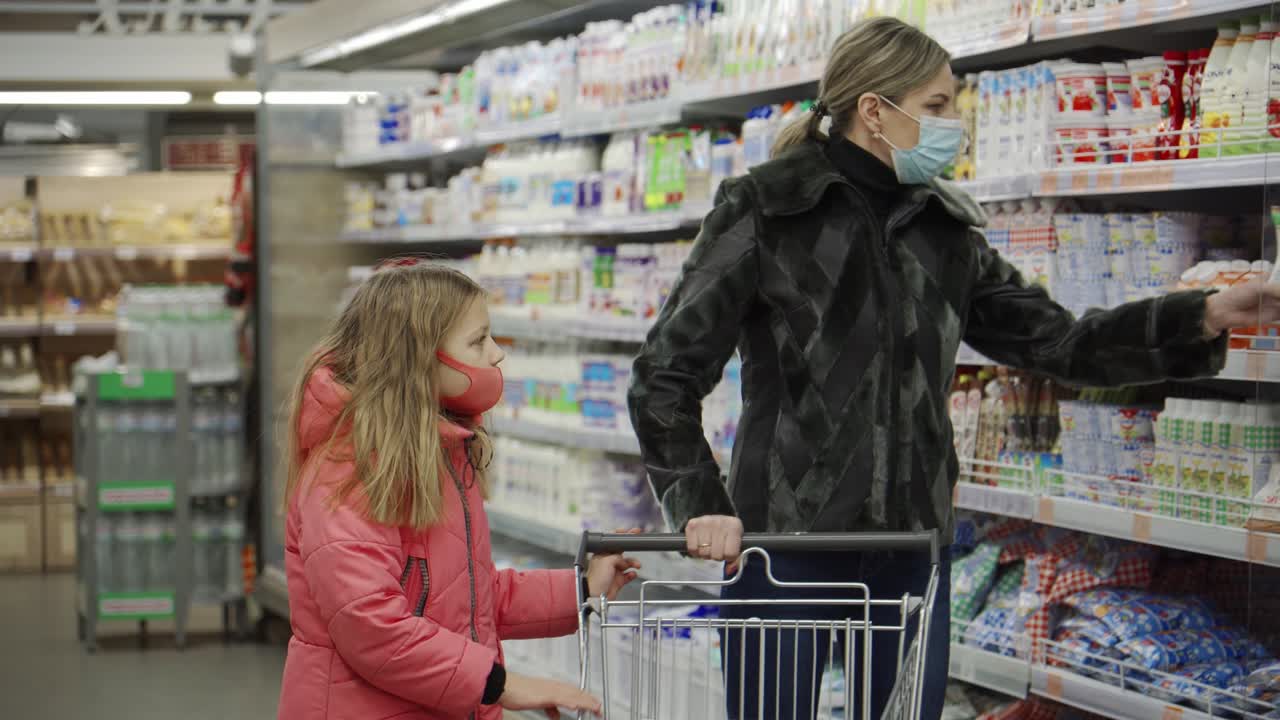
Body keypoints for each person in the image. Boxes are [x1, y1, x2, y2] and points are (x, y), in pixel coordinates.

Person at [627, 16, 1280, 720]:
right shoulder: (766, 210)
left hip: (910, 550)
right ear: (874, 111)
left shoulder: (945, 231)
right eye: (936, 105)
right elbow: (664, 374)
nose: (954, 124)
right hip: (783, 548)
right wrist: (700, 503)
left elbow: (1060, 343)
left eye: (954, 104)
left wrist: (1205, 315)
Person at [277, 259, 638, 720]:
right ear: (419, 357)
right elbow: (370, 625)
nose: (496, 354)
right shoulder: (348, 470)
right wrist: (501, 685)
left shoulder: (438, 453)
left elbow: (467, 596)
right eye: (478, 340)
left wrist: (581, 588)